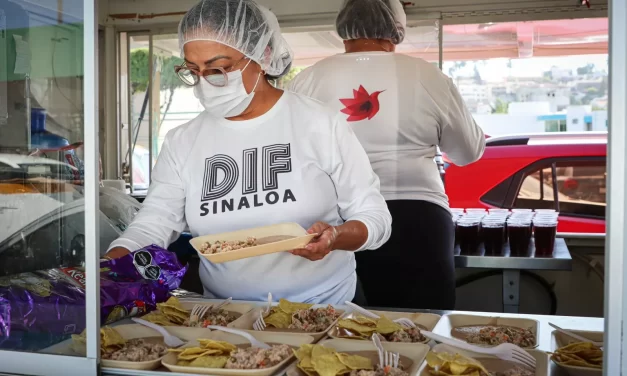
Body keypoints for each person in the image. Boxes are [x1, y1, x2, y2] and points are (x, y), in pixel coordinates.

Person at [105, 0, 392, 304]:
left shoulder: (318, 123)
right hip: (226, 317)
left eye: (220, 68)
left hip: (324, 309)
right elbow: (155, 221)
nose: (206, 82)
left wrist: (335, 238)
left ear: (264, 55)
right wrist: (109, 266)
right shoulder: (183, 141)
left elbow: (374, 218)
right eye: (193, 70)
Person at [288, 0, 485, 310]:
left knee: (339, 328)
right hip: (416, 216)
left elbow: (291, 156)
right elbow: (468, 152)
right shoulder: (428, 76)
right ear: (396, 29)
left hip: (335, 222)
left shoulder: (308, 80)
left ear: (344, 28)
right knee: (422, 326)